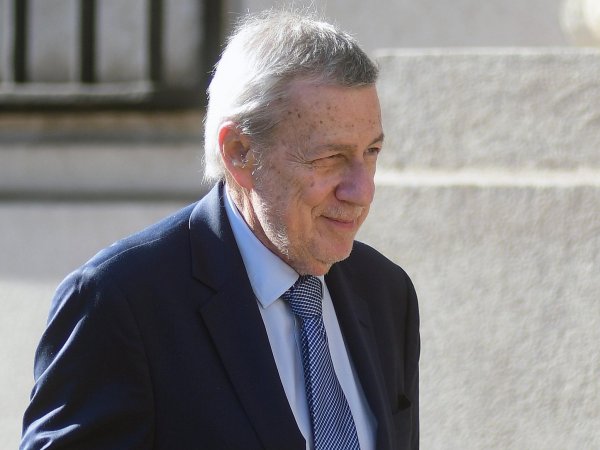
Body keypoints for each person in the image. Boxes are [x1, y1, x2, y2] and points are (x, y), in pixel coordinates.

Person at [20, 10, 420, 450]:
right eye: (330, 158)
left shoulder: (386, 294)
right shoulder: (120, 302)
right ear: (239, 152)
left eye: (371, 152)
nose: (362, 191)